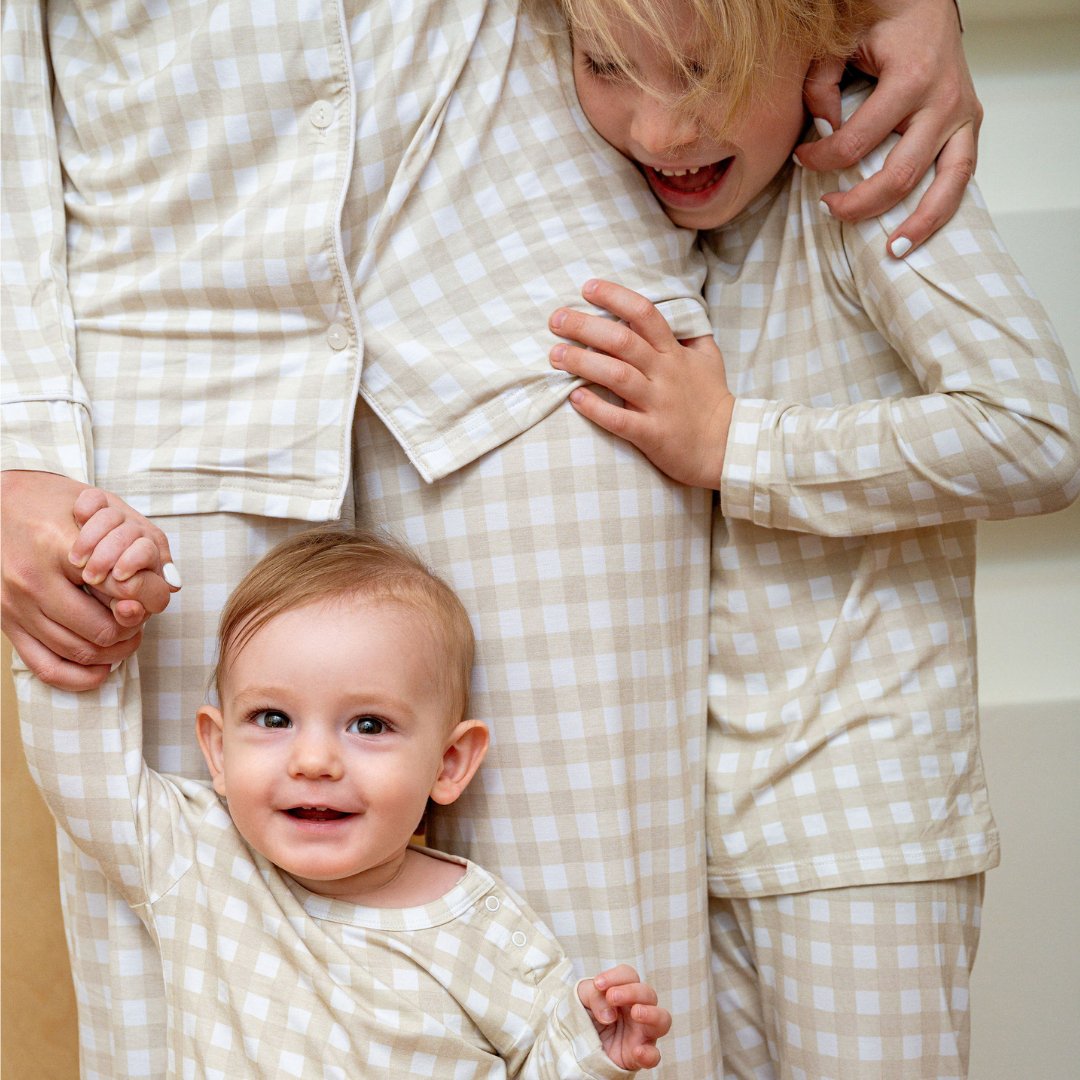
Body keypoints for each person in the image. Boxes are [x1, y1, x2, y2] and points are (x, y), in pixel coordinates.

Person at [1, 1, 983, 1076]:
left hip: (538, 299)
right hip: (164, 334)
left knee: (605, 964)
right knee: (178, 966)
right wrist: (15, 442)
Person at [542, 0, 1080, 1075]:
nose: (657, 131)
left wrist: (739, 443)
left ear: (822, 38)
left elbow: (1034, 430)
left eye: (698, 74)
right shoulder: (652, 213)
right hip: (696, 836)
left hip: (857, 825)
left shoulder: (865, 165)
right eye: (609, 70)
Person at [18, 526, 673, 1077]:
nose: (313, 762)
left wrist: (594, 1053)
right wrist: (91, 592)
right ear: (217, 750)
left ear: (448, 764)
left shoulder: (486, 929)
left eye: (368, 726)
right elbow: (81, 769)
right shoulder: (195, 857)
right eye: (273, 718)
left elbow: (544, 1062)